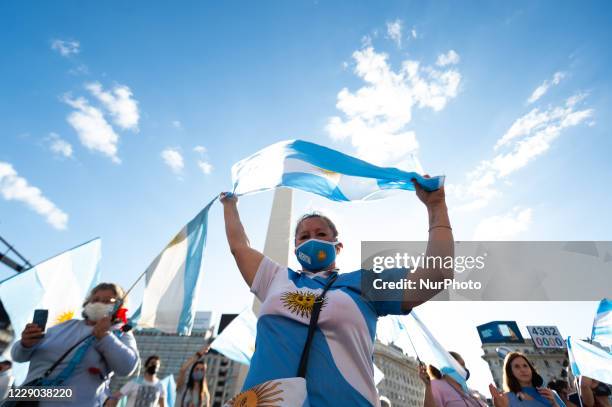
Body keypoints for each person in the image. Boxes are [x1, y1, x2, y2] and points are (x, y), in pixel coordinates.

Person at [219, 175, 454, 407]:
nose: (312, 239)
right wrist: (229, 205)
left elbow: (437, 275)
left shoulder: (364, 282)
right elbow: (239, 247)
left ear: (338, 246)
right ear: (296, 248)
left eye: (321, 234)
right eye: (304, 236)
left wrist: (436, 207)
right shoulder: (275, 278)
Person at [11, 282, 139, 406]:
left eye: (106, 301)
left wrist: (105, 337)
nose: (98, 303)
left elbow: (127, 367)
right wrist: (25, 344)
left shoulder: (120, 333)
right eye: (94, 300)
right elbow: (18, 356)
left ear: (118, 307)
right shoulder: (65, 326)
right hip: (25, 400)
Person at [489, 352, 565, 407]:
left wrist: (554, 403)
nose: (523, 370)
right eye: (517, 366)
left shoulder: (550, 393)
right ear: (510, 373)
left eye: (525, 366)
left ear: (531, 369)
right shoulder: (506, 399)